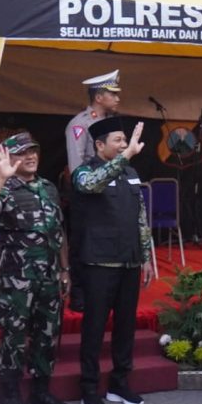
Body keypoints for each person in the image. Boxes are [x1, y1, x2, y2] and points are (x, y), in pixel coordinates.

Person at [0, 132, 70, 404]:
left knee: (47, 334)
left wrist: (65, 270)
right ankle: (12, 395)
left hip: (50, 276)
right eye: (22, 153)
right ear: (10, 159)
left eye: (34, 152)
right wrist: (1, 179)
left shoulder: (49, 188)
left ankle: (41, 390)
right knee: (13, 337)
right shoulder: (5, 189)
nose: (30, 157)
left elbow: (59, 232)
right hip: (18, 279)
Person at [70, 117, 155, 404]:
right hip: (99, 262)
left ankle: (120, 383)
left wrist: (146, 257)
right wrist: (127, 155)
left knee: (125, 327)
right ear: (99, 145)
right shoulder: (84, 172)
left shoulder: (131, 173)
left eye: (125, 141)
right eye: (118, 141)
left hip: (129, 260)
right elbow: (93, 186)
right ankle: (89, 389)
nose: (123, 145)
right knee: (94, 328)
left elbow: (141, 218)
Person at [65, 69, 122, 312]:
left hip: (109, 192)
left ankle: (104, 294)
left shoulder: (110, 125)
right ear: (99, 97)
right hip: (86, 193)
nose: (118, 98)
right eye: (113, 94)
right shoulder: (80, 124)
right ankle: (79, 295)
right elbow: (77, 164)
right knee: (82, 242)